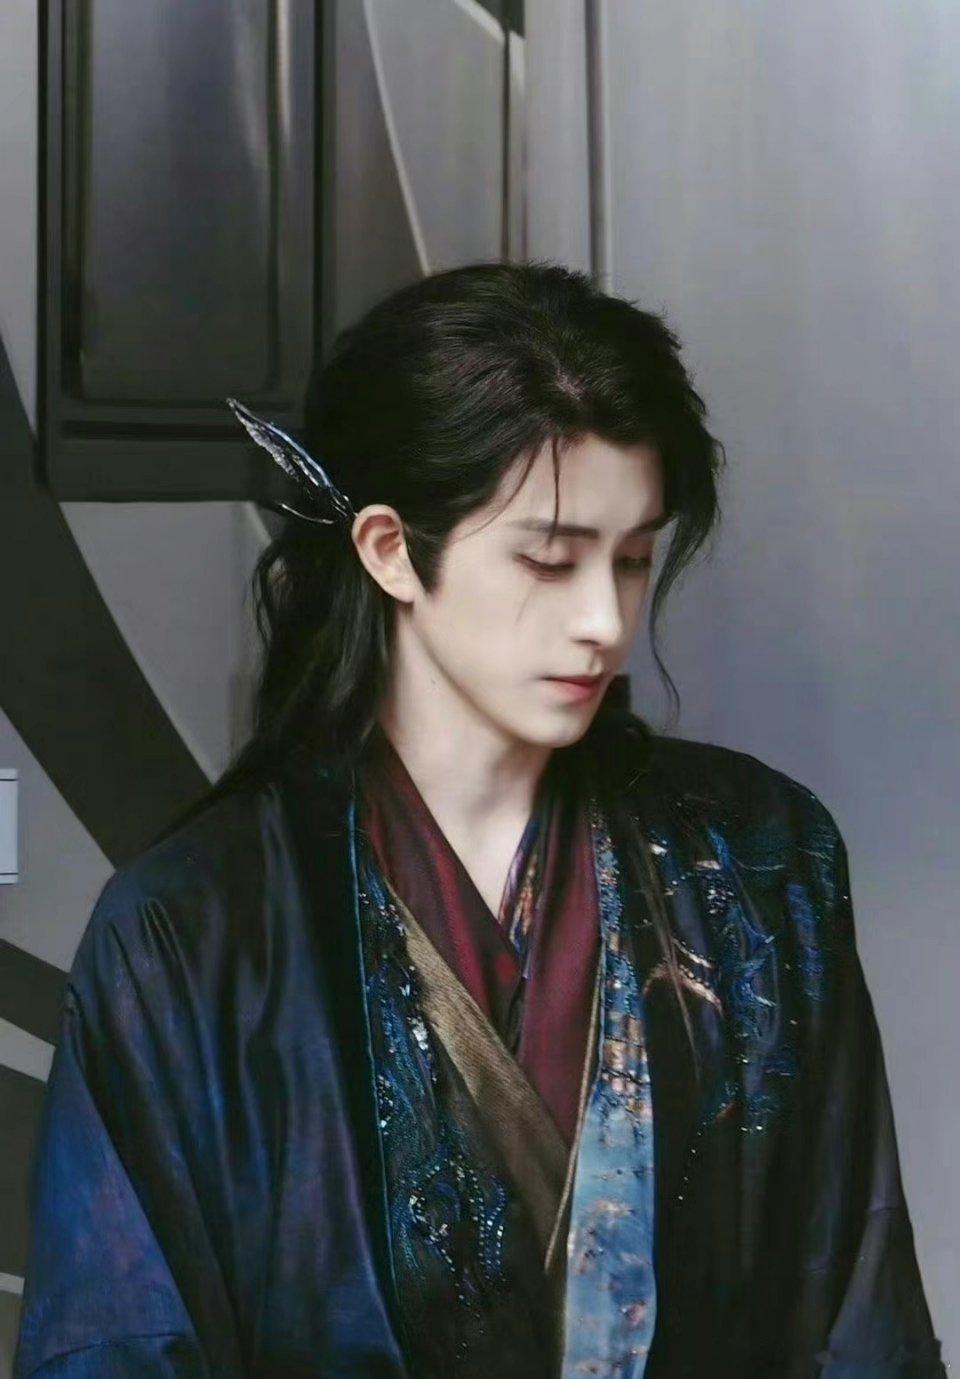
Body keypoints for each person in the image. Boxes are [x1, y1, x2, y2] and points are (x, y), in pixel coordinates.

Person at [14, 262, 945, 1379]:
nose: (603, 620)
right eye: (549, 559)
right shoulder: (190, 932)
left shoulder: (761, 861)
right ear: (390, 550)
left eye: (633, 559)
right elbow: (116, 1344)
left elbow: (860, 1321)